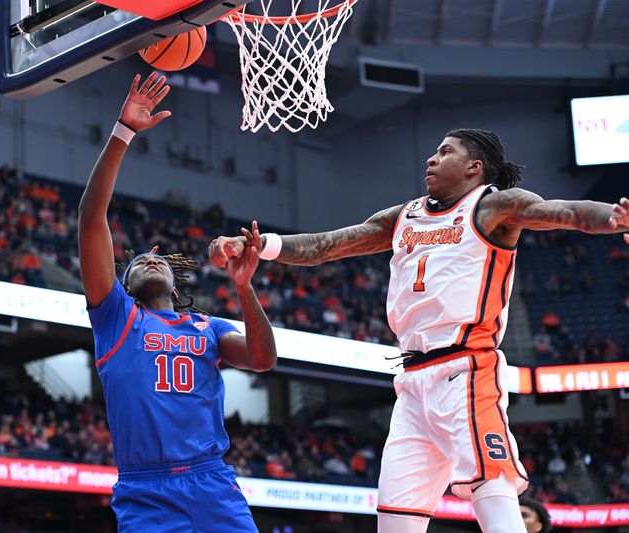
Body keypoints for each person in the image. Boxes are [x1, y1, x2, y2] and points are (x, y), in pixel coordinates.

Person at [209, 129, 629, 533]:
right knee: (396, 513)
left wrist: (616, 218)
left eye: (446, 152)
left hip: (466, 368)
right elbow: (327, 246)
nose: (431, 158)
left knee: (492, 488)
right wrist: (260, 246)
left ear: (474, 167)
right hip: (411, 383)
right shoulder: (405, 215)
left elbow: (569, 212)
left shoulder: (494, 207)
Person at [78, 72, 276, 532]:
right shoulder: (116, 318)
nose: (151, 258)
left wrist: (245, 291)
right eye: (140, 260)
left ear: (175, 281)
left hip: (212, 484)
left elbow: (264, 360)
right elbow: (91, 220)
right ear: (122, 283)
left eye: (159, 258)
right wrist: (123, 132)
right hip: (146, 491)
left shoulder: (207, 328)